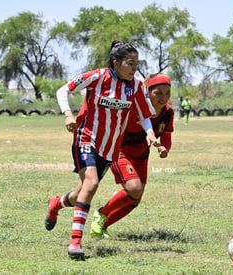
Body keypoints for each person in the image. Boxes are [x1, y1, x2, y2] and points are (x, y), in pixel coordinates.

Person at [44, 40, 159, 260]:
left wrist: (150, 133)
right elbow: (62, 91)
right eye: (130, 63)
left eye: (137, 63)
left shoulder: (134, 85)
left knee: (81, 192)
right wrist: (68, 115)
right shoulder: (97, 77)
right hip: (86, 139)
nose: (135, 67)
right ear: (116, 63)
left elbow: (146, 113)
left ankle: (56, 204)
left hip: (109, 149)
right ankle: (75, 243)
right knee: (92, 183)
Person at [89, 73, 174, 239]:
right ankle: (101, 213)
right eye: (158, 93)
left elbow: (167, 138)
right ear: (148, 92)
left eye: (167, 93)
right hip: (120, 151)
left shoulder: (168, 112)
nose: (163, 98)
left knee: (135, 199)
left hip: (142, 155)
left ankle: (102, 226)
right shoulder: (135, 106)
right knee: (134, 188)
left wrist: (165, 148)